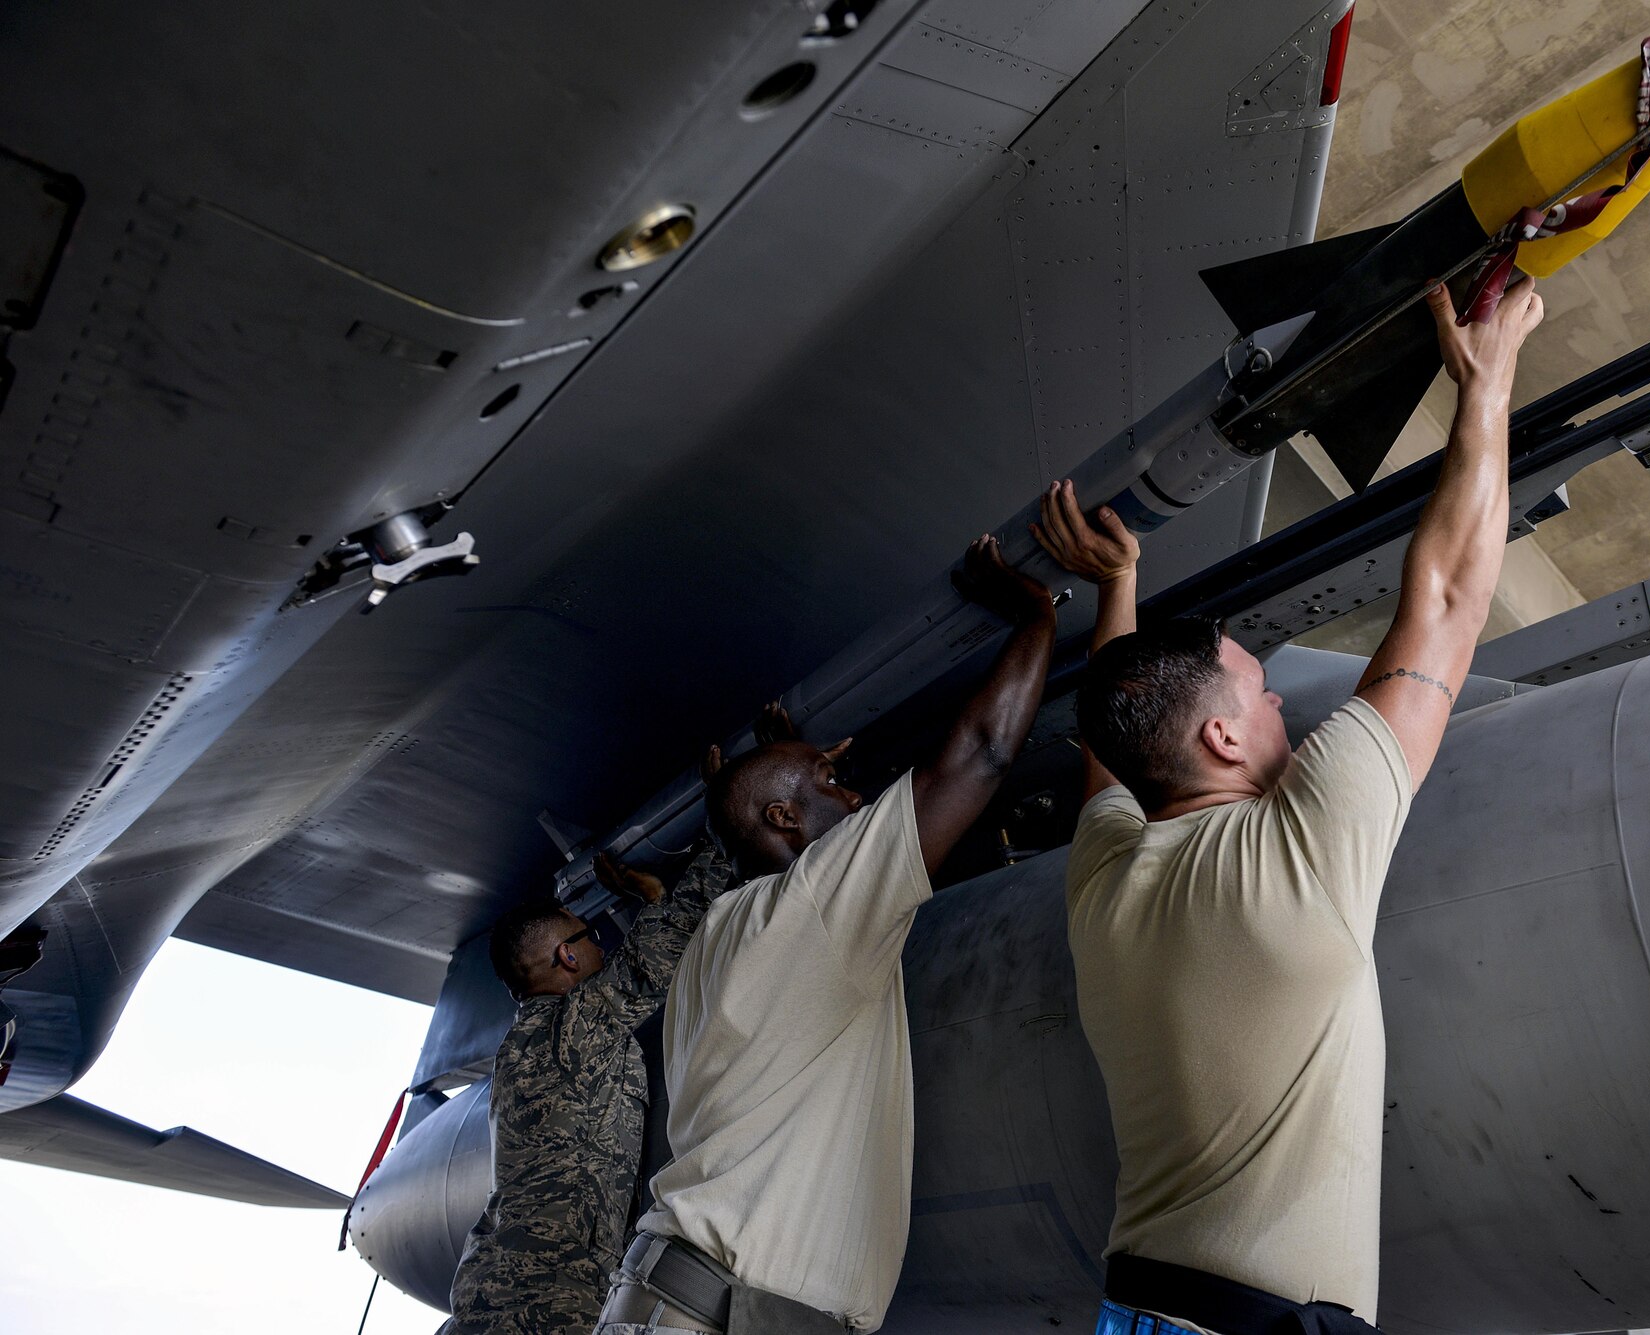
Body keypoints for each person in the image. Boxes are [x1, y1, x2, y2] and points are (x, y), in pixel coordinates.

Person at [1037, 278, 1544, 1335]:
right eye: (1259, 692)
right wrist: (1485, 385)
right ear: (1220, 738)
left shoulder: (1109, 876)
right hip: (1162, 1317)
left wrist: (1121, 598)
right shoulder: (1293, 845)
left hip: (1176, 1303)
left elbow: (1113, 748)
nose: (1278, 700)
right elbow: (1447, 595)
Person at [596, 535, 1060, 1335]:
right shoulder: (811, 910)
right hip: (719, 1314)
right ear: (781, 819)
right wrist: (1036, 610)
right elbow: (981, 753)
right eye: (832, 782)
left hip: (687, 1302)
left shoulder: (718, 932)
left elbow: (752, 825)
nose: (854, 799)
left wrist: (789, 763)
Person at [445, 839, 733, 1335]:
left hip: (499, 1300)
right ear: (568, 956)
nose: (602, 946)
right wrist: (722, 834)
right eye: (592, 936)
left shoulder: (526, 1045)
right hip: (549, 1307)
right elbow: (655, 956)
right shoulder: (572, 1030)